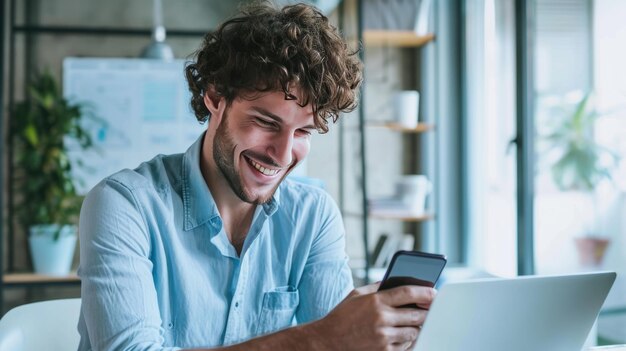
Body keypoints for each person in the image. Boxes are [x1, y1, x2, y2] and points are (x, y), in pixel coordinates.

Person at [77, 2, 435, 350]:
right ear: (215, 97)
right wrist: (322, 338)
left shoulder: (312, 217)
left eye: (303, 133)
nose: (282, 155)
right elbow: (330, 339)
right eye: (266, 123)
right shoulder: (124, 204)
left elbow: (341, 341)